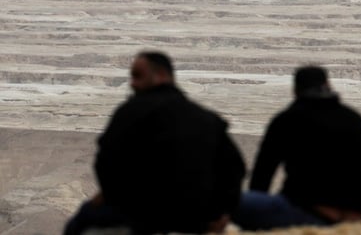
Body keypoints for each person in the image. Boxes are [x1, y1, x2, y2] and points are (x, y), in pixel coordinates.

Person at [64, 51, 246, 235]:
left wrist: (112, 197)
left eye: (138, 76)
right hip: (198, 218)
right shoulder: (206, 118)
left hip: (143, 217)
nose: (132, 83)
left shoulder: (131, 112)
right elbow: (235, 168)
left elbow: (106, 163)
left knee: (80, 220)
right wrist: (222, 212)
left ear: (161, 75)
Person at [232, 66, 361, 231]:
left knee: (234, 202)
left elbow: (262, 174)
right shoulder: (355, 119)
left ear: (295, 90)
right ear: (328, 85)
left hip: (308, 213)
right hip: (354, 217)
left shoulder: (287, 120)